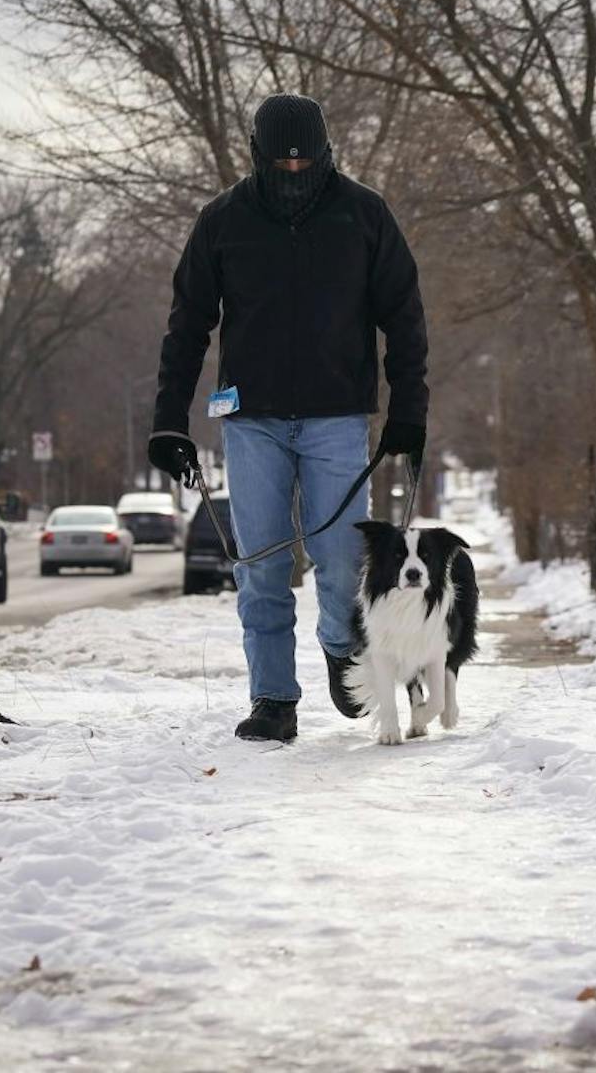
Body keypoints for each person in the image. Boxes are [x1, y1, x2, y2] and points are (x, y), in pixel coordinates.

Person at [147, 93, 427, 743]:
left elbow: (404, 318)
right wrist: (169, 421)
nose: (295, 173)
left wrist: (409, 411)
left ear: (326, 155)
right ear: (258, 157)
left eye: (308, 162)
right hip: (251, 420)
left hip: (337, 417)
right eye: (282, 164)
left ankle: (339, 643)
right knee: (261, 565)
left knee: (338, 558)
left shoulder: (364, 214)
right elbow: (187, 325)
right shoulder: (223, 221)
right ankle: (273, 698)